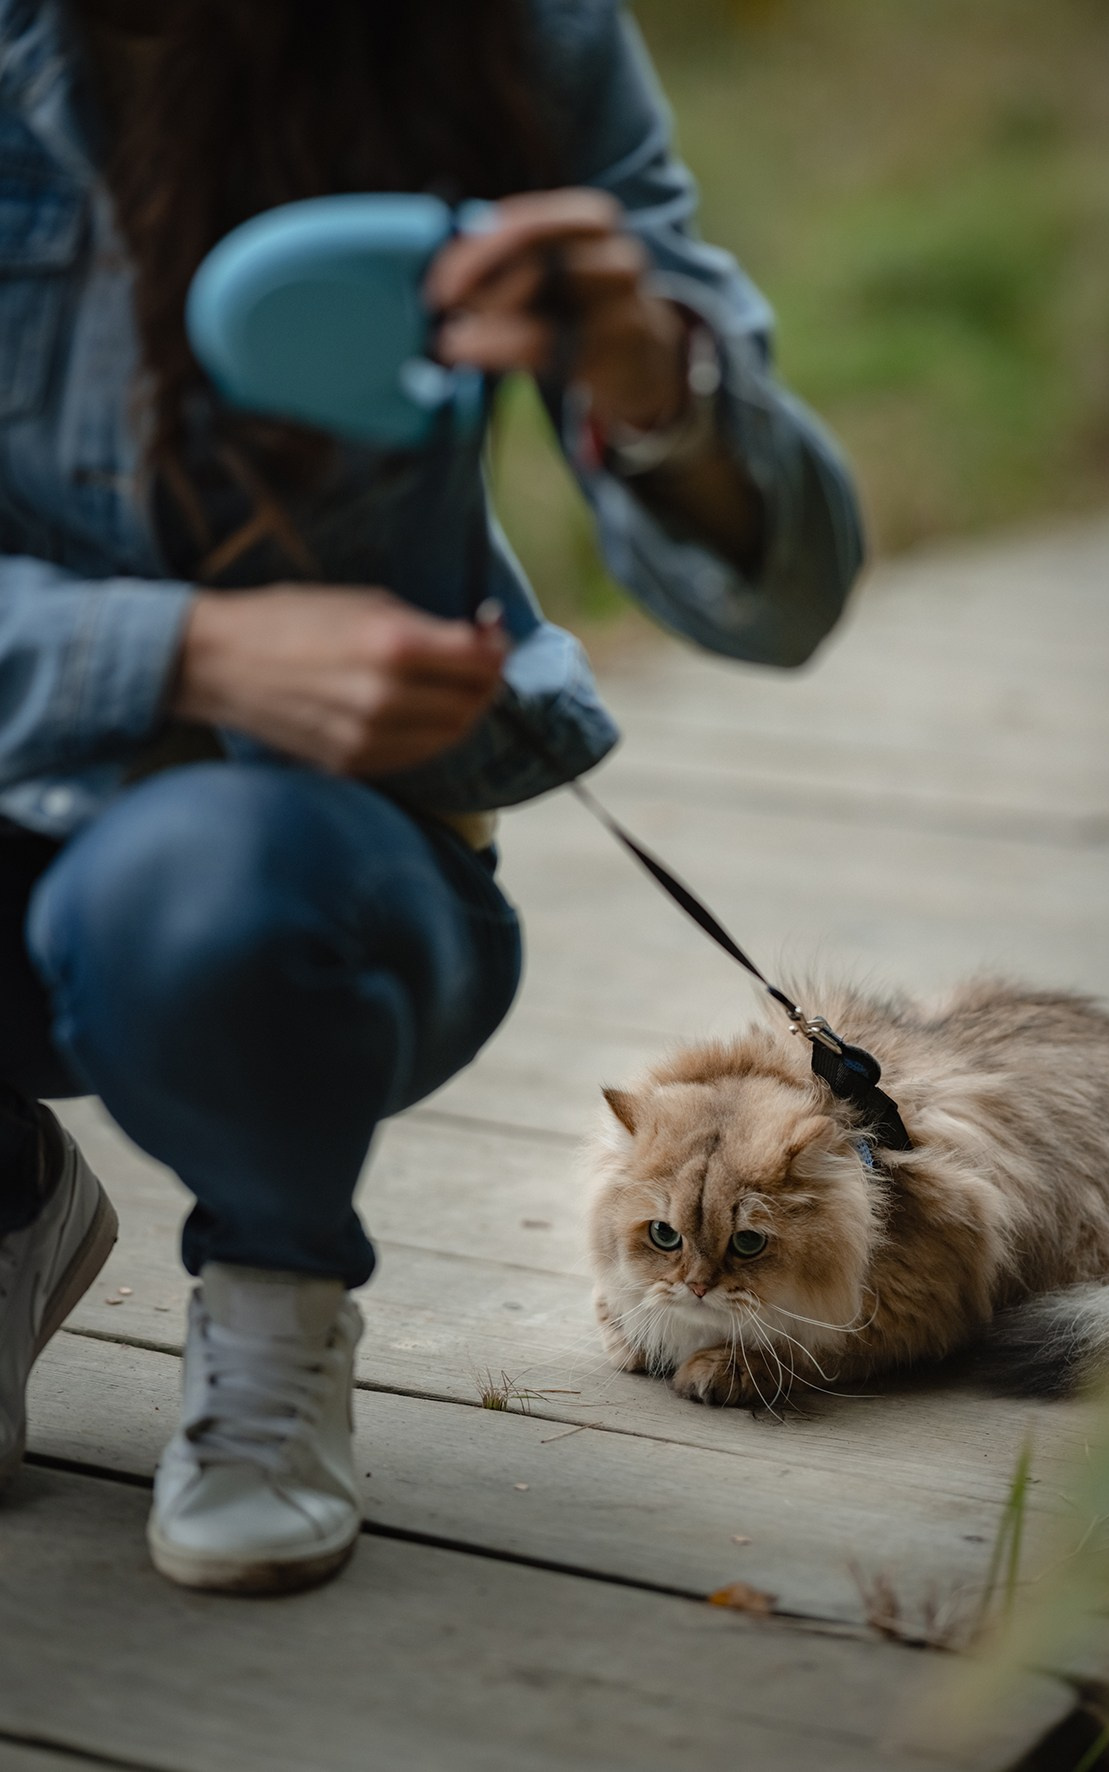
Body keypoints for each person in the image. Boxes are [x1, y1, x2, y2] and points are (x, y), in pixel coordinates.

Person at [0, 0, 864, 1594]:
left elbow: (781, 596)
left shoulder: (511, 32)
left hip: (311, 871)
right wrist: (179, 651)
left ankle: (273, 1305)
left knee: (200, 880)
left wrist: (644, 371)